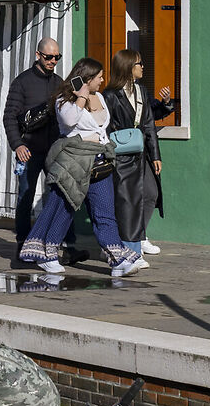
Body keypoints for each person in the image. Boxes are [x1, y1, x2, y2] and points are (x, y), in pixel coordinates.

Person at [18, 58, 146, 278]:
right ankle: (47, 256)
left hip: (99, 163)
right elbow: (68, 121)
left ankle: (117, 262)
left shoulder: (101, 98)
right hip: (74, 164)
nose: (103, 80)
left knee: (105, 212)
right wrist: (81, 98)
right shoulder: (63, 99)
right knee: (62, 210)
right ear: (86, 78)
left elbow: (103, 128)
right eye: (99, 77)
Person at [1, 37, 64, 257]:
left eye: (57, 57)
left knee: (60, 193)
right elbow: (9, 117)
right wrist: (17, 145)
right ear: (38, 55)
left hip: (54, 150)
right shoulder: (22, 82)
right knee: (25, 196)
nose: (53, 61)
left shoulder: (59, 82)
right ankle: (23, 242)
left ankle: (55, 241)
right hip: (28, 149)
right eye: (48, 57)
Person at [104, 50, 167, 259]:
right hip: (120, 155)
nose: (142, 67)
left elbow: (149, 125)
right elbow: (105, 126)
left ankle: (139, 236)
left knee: (150, 193)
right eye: (139, 63)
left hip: (140, 154)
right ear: (128, 66)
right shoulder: (111, 95)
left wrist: (155, 156)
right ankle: (116, 245)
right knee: (124, 201)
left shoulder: (141, 91)